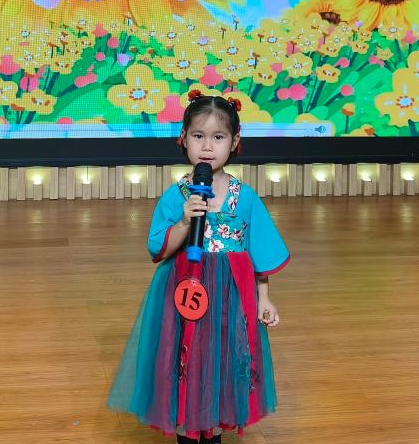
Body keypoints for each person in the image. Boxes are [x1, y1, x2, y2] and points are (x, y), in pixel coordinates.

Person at [108, 91, 291, 443]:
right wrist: (183, 221)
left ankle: (214, 427)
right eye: (198, 136)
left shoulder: (245, 197)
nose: (207, 146)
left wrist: (264, 297)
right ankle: (187, 430)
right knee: (186, 362)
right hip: (184, 292)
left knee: (222, 362)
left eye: (218, 137)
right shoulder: (176, 196)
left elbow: (258, 252)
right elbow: (159, 248)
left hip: (229, 298)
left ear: (234, 142)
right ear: (183, 138)